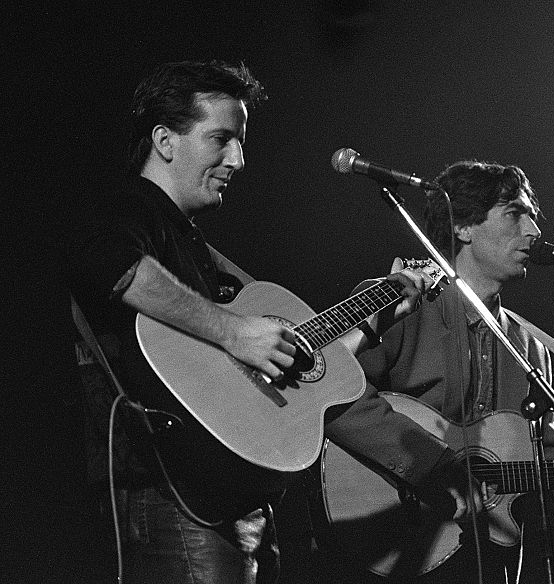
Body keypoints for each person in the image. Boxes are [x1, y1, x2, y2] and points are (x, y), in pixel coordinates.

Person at [66, 60, 450, 584]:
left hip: (232, 498)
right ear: (164, 140)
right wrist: (234, 331)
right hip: (173, 492)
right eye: (221, 139)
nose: (238, 159)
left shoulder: (196, 249)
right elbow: (109, 263)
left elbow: (301, 372)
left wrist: (375, 319)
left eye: (241, 143)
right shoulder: (128, 207)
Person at [320, 160, 554, 583]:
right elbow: (331, 391)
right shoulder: (395, 302)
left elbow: (546, 463)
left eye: (531, 216)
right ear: (463, 227)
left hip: (483, 561)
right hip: (384, 545)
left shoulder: (530, 346)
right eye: (515, 214)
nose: (534, 230)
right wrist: (432, 465)